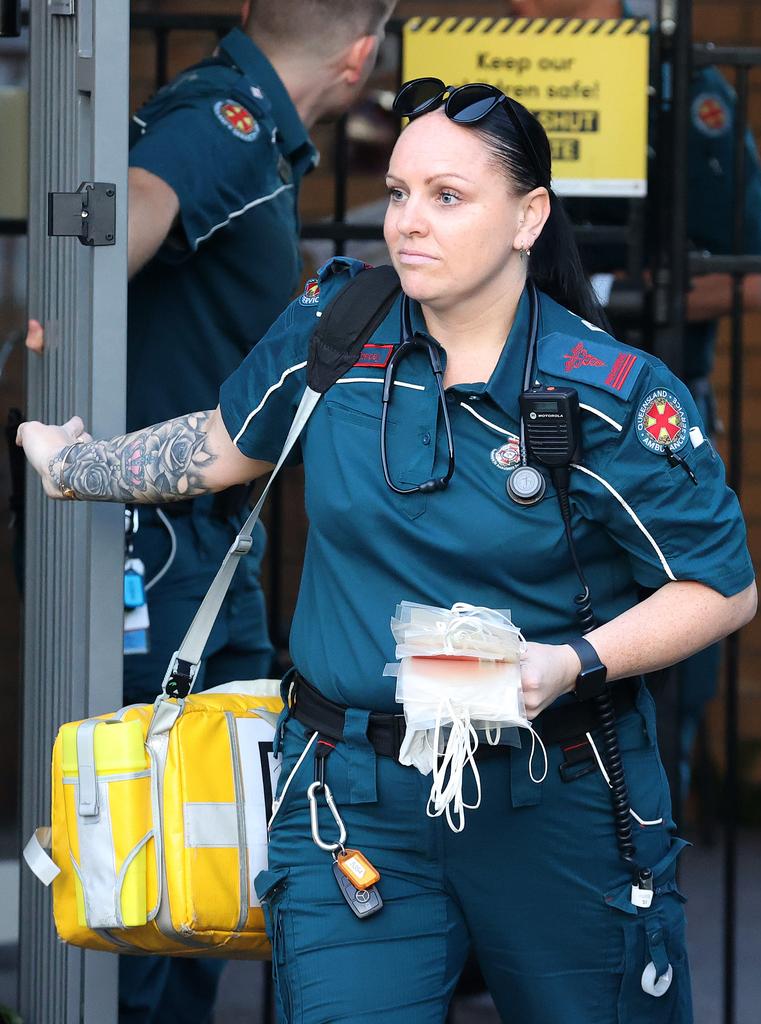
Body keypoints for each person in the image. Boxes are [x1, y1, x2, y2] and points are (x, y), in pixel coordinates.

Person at [18, 78, 756, 1024]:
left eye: (448, 197)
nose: (410, 221)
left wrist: (572, 661)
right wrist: (73, 463)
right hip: (349, 799)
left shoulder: (609, 392)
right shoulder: (338, 332)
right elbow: (220, 447)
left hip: (555, 797)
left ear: (529, 216)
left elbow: (720, 586)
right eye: (401, 193)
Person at [23, 2, 394, 1021]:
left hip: (207, 538)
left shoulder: (258, 132)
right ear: (362, 58)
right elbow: (134, 204)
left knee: (218, 823)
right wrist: (59, 293)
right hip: (155, 541)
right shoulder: (227, 123)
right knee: (145, 828)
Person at [506, 0, 761, 804]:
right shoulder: (504, 68)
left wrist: (622, 301)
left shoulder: (680, 82)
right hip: (501, 417)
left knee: (667, 671)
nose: (517, 7)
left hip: (646, 413)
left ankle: (647, 859)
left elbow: (753, 269)